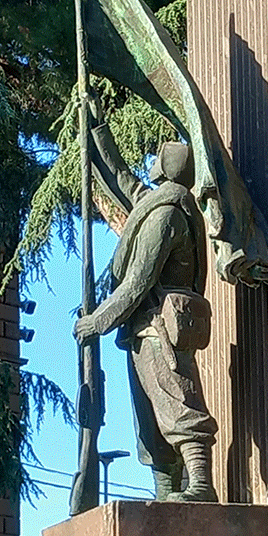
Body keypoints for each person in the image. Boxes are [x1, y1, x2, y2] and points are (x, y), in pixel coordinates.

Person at [73, 120, 219, 502]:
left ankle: (201, 485)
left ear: (167, 169)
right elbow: (122, 177)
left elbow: (137, 280)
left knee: (178, 403)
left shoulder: (165, 216)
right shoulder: (154, 205)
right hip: (143, 330)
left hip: (157, 327)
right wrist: (97, 126)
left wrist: (97, 322)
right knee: (151, 423)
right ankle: (165, 491)